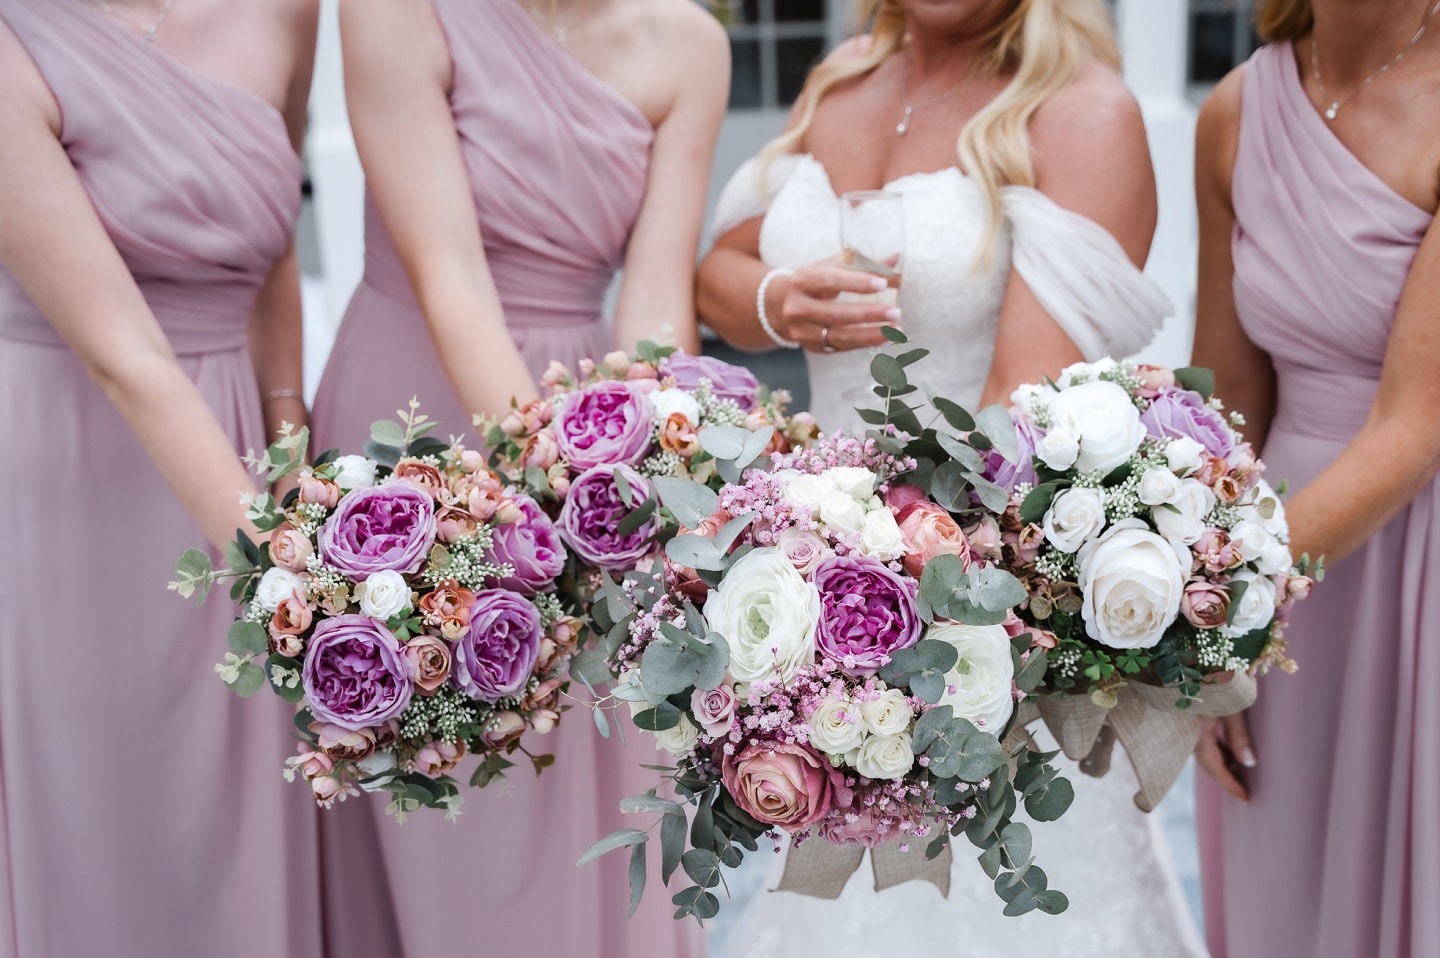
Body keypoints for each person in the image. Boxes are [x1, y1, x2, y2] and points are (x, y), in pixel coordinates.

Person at [695, 1, 1204, 954]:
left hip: (980, 598)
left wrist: (859, 575)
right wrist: (779, 301)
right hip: (820, 597)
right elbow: (717, 269)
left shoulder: (1079, 110)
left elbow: (1024, 411)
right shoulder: (843, 77)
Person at [310, 1, 728, 955]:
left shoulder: (691, 45)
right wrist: (554, 492)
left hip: (586, 416)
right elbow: (447, 269)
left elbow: (656, 300)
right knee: (431, 740)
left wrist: (649, 472)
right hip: (416, 418)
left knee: (585, 739)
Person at [0, 0, 321, 954]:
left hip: (246, 447)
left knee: (261, 800)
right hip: (80, 458)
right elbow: (124, 357)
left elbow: (270, 242)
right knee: (110, 811)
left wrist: (291, 454)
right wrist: (297, 576)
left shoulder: (289, 11)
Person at [1191, 1, 1440, 955]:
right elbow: (1225, 401)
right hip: (1282, 591)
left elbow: (1418, 424)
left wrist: (1211, 618)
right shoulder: (1237, 109)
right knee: (1282, 883)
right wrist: (1184, 621)